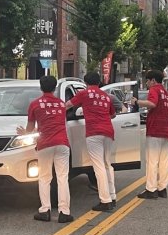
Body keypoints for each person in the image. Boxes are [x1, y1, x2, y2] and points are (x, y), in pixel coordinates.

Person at [17, 75, 74, 223]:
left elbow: (30, 129)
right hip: (62, 143)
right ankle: (64, 212)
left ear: (41, 88)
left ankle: (45, 210)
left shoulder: (35, 104)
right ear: (55, 88)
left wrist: (25, 132)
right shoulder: (61, 104)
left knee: (44, 177)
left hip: (44, 144)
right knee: (62, 177)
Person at [65, 71, 116, 211]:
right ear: (99, 82)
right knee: (107, 165)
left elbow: (67, 105)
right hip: (109, 132)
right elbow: (113, 114)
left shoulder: (84, 93)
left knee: (98, 166)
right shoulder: (106, 96)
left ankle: (105, 201)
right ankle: (112, 196)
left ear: (86, 83)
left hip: (94, 133)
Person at [132, 69, 168, 199]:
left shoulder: (154, 90)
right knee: (163, 161)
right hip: (167, 131)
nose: (147, 83)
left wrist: (137, 102)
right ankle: (162, 188)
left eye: (147, 81)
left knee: (152, 161)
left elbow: (152, 103)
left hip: (155, 130)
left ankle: (151, 189)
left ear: (153, 80)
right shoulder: (166, 93)